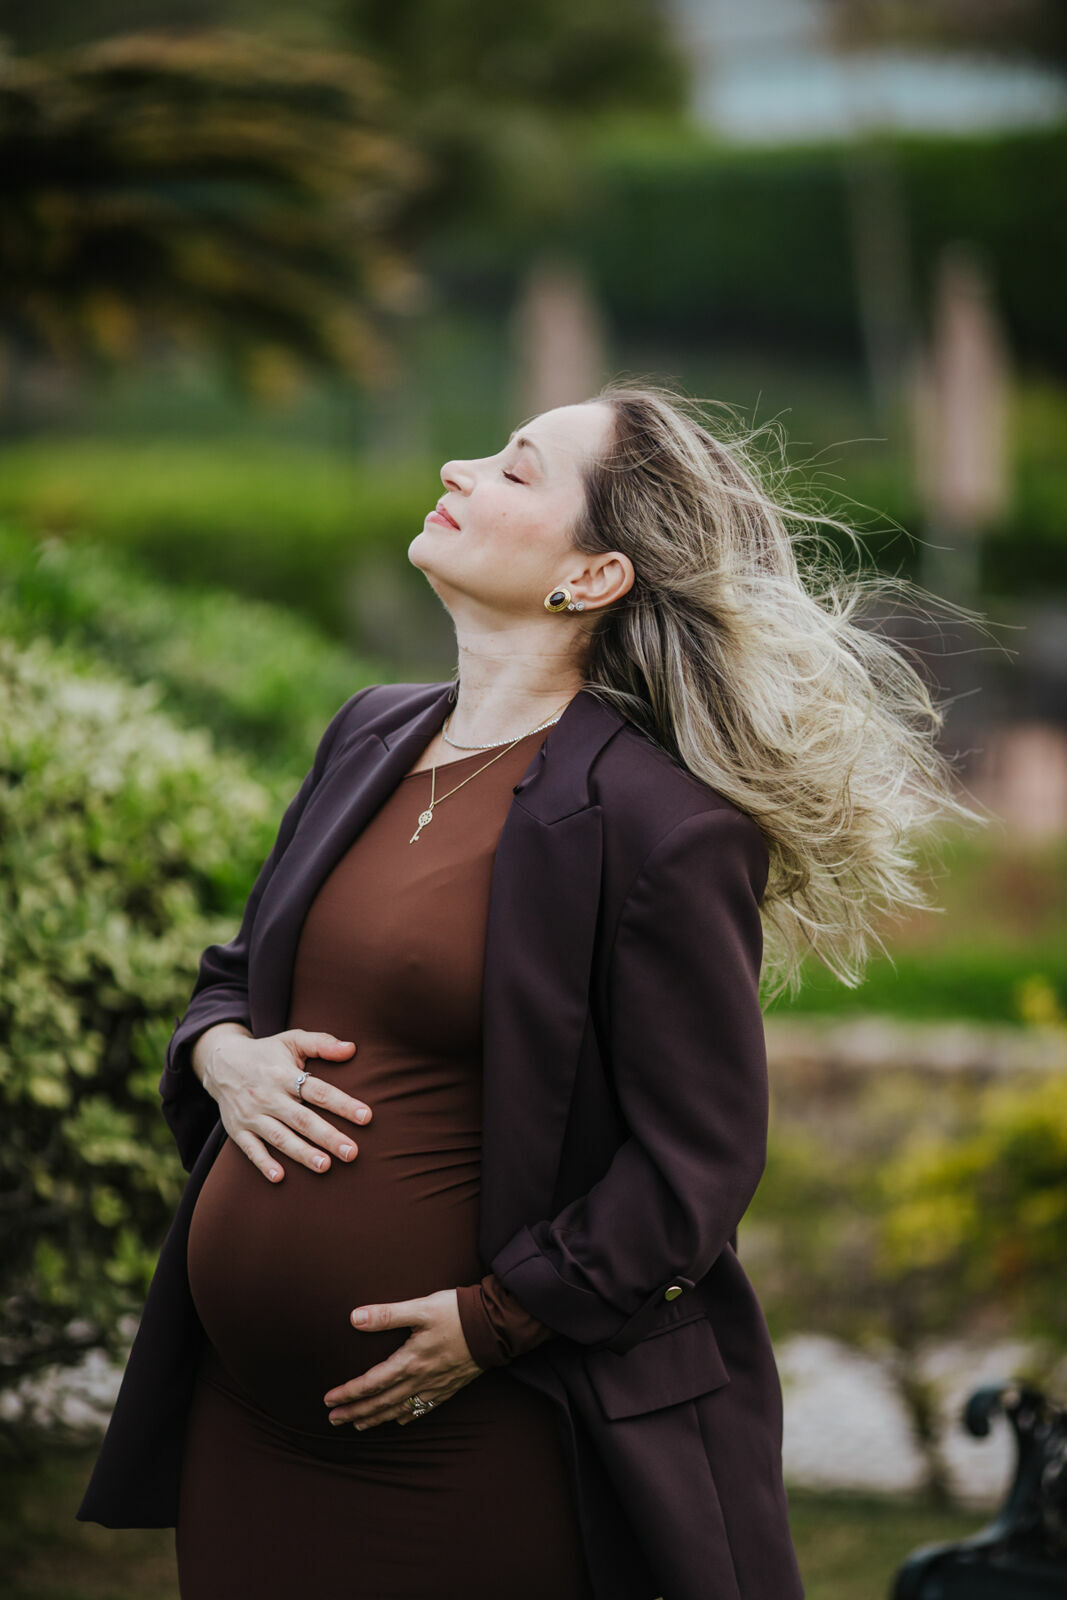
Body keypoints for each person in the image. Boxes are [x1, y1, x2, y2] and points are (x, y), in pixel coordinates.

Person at [77, 381, 983, 1599]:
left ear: (593, 576)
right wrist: (221, 1055)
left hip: (473, 1445)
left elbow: (693, 1166)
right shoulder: (370, 734)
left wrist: (491, 1321)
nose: (456, 467)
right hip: (245, 1432)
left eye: (511, 470)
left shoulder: (663, 826)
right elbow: (236, 977)